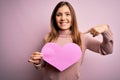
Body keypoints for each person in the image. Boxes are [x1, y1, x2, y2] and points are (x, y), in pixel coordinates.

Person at [28, 1, 113, 80]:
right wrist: (38, 62)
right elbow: (43, 65)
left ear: (73, 17)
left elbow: (106, 50)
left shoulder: (82, 38)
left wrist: (105, 30)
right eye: (59, 15)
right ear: (54, 18)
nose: (63, 18)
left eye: (67, 14)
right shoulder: (47, 38)